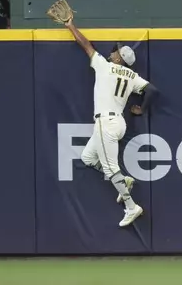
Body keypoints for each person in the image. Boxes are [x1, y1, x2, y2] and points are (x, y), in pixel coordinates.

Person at [64, 17, 158, 227]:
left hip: (106, 123)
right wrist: (141, 109)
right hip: (118, 122)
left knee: (109, 168)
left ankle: (132, 207)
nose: (112, 51)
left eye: (116, 51)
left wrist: (71, 26)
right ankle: (123, 181)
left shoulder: (105, 66)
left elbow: (86, 45)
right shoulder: (132, 75)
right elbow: (152, 90)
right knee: (88, 157)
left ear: (119, 58)